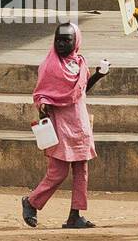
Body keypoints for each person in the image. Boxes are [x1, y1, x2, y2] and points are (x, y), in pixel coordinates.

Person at [21, 22, 108, 229]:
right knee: (57, 172)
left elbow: (82, 88)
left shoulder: (79, 62)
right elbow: (41, 92)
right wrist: (42, 105)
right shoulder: (50, 65)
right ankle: (31, 202)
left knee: (81, 172)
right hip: (60, 124)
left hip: (79, 122)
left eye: (66, 40)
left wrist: (99, 74)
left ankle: (75, 215)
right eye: (58, 39)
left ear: (75, 41)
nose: (61, 44)